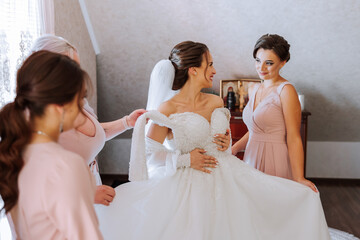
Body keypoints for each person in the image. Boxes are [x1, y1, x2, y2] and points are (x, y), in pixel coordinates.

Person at [94, 41, 330, 240]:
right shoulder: (168, 108)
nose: (215, 70)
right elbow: (149, 152)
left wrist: (225, 142)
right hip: (187, 185)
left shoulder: (216, 101)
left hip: (227, 174)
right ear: (193, 70)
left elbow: (223, 143)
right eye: (210, 64)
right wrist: (185, 159)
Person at [32, 34, 147, 206]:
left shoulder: (76, 100)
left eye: (76, 67)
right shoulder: (39, 112)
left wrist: (127, 122)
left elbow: (88, 136)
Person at [0, 51, 103, 239]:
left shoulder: (13, 153)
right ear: (60, 107)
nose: (83, 107)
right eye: (80, 99)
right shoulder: (65, 165)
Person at [231, 34, 316, 191]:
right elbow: (255, 129)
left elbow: (293, 137)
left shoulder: (286, 90)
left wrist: (299, 177)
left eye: (268, 63)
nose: (261, 68)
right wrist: (235, 148)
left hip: (275, 159)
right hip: (250, 157)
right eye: (258, 60)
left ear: (282, 63)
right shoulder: (253, 88)